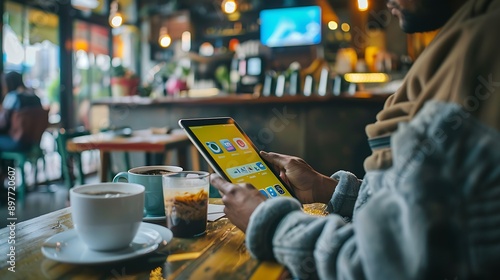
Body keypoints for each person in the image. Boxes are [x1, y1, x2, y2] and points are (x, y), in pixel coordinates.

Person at [211, 0, 500, 279]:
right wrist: (327, 189)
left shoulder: (481, 61)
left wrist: (268, 222)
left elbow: (378, 265)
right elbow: (424, 212)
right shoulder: (463, 44)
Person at [0, 71, 48, 151]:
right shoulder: (36, 97)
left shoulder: (12, 97)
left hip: (17, 142)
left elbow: (3, 123)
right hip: (34, 143)